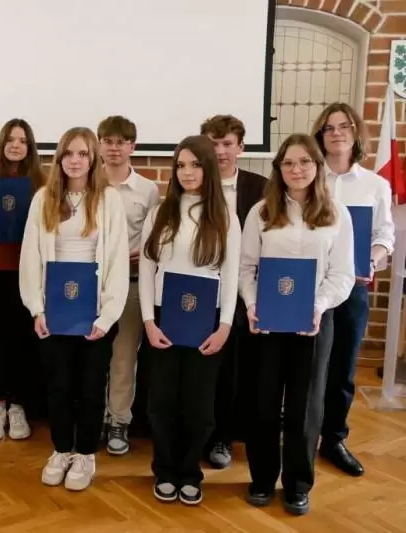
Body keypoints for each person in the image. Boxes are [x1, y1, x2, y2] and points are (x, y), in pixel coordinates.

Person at [240, 133, 354, 516]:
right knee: (264, 402)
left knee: (306, 407)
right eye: (288, 162)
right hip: (267, 325)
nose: (296, 169)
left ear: (317, 167)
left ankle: (297, 485)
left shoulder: (337, 214)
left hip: (314, 323)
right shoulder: (261, 212)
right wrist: (252, 304)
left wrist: (317, 307)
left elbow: (342, 274)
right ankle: (261, 478)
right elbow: (246, 268)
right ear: (279, 169)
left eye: (305, 161)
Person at [19, 126, 130, 491]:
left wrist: (107, 315)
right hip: (54, 312)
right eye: (68, 153)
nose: (75, 160)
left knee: (91, 386)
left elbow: (117, 259)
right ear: (59, 158)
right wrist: (37, 308)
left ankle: (85, 454)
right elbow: (30, 256)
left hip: (95, 313)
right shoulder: (43, 198)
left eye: (83, 153)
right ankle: (61, 449)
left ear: (93, 159)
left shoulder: (109, 199)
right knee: (59, 386)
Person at [139, 135, 241, 505]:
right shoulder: (160, 213)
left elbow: (231, 275)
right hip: (164, 318)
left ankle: (189, 472)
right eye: (180, 165)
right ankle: (164, 469)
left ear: (208, 168)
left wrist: (224, 325)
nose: (187, 172)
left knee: (198, 406)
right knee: (161, 402)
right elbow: (148, 270)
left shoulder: (225, 216)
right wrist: (149, 321)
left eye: (195, 164)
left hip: (206, 321)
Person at [311, 103, 395, 477]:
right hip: (310, 287)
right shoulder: (308, 178)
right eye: (329, 128)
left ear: (356, 132)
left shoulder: (374, 185)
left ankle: (333, 439)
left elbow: (384, 236)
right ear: (320, 136)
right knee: (307, 367)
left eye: (343, 126)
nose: (336, 133)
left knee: (343, 367)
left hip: (353, 289)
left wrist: (372, 261)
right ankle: (300, 435)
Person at [199, 114, 268, 469]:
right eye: (213, 144)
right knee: (202, 368)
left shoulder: (261, 188)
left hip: (244, 292)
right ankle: (199, 432)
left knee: (235, 370)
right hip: (200, 289)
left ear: (241, 147)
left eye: (227, 144)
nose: (220, 151)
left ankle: (224, 436)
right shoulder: (193, 182)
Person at [0, 118, 46, 441]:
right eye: (10, 140)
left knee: (23, 341)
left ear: (30, 147)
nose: (16, 145)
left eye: (22, 140)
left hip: (28, 272)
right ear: (1, 144)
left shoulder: (42, 185)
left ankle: (18, 406)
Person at [97, 115, 160, 456]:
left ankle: (119, 420)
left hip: (132, 285)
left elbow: (154, 240)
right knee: (92, 355)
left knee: (123, 357)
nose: (114, 148)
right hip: (92, 286)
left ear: (132, 146)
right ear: (99, 145)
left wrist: (140, 254)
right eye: (108, 141)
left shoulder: (148, 190)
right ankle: (93, 416)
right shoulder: (89, 183)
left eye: (121, 142)